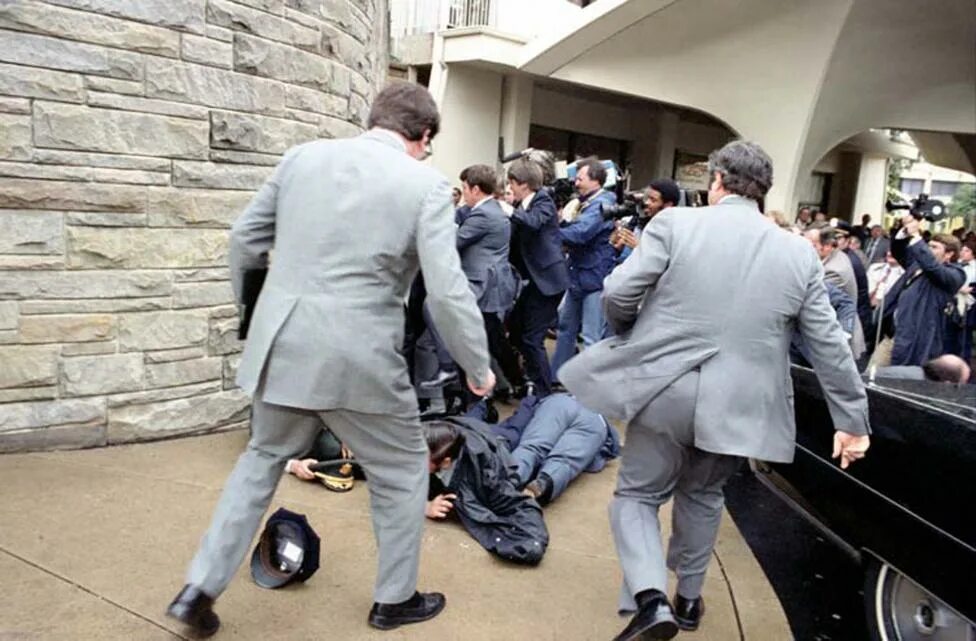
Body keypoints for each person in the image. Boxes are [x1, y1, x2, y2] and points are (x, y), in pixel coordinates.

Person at [165, 82, 495, 636]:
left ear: (375, 119)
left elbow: (245, 239)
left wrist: (257, 315)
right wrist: (477, 365)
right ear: (425, 135)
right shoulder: (426, 186)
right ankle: (394, 600)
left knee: (260, 460)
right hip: (359, 358)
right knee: (400, 469)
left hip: (284, 345)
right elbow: (447, 290)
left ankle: (197, 588)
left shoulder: (302, 158)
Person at [559, 140, 870, 641]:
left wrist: (629, 333)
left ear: (717, 183)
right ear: (762, 193)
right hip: (743, 403)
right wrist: (852, 422)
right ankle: (686, 600)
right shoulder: (799, 253)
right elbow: (829, 344)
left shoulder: (675, 224)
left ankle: (650, 599)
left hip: (665, 387)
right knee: (704, 495)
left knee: (637, 496)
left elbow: (618, 293)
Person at [507, 158, 570, 396]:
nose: (509, 188)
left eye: (511, 183)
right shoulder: (523, 205)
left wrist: (508, 210)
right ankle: (527, 378)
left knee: (533, 338)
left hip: (550, 282)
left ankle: (544, 394)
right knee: (515, 329)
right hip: (534, 281)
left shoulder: (543, 200)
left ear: (522, 183)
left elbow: (533, 224)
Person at [550, 158, 617, 381]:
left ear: (596, 180)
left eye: (580, 178)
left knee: (590, 335)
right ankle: (557, 376)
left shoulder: (602, 205)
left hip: (593, 277)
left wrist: (551, 231)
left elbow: (581, 233)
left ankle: (588, 386)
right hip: (578, 275)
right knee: (565, 329)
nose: (575, 183)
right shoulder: (583, 203)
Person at [883, 217, 966, 367]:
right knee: (871, 377)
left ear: (949, 254)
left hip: (915, 342)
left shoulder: (955, 275)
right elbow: (898, 251)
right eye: (928, 245)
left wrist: (916, 237)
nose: (928, 249)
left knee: (898, 383)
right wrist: (905, 230)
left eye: (934, 247)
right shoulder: (917, 264)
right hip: (893, 336)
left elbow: (932, 268)